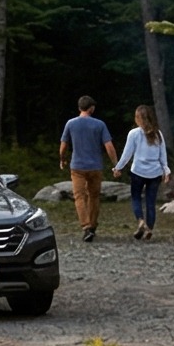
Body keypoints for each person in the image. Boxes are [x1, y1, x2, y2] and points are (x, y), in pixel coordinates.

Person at [58, 96, 116, 242]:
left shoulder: (71, 124)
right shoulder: (100, 124)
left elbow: (64, 145)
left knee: (79, 196)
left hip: (77, 166)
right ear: (91, 108)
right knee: (94, 197)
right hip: (95, 166)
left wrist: (62, 158)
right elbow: (108, 146)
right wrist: (116, 163)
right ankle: (93, 225)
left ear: (79, 108)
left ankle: (86, 226)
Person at [116, 105, 170, 241]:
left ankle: (140, 221)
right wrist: (166, 171)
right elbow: (163, 155)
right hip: (155, 173)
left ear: (139, 118)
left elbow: (127, 154)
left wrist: (118, 168)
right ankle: (149, 229)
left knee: (136, 198)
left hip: (138, 172)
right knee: (150, 202)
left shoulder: (133, 134)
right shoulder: (158, 134)